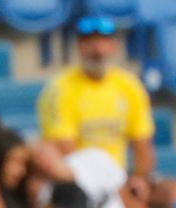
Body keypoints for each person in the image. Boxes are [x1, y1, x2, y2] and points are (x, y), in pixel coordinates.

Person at [38, 16, 155, 177]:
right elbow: (65, 149)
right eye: (89, 43)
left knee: (175, 191)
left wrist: (140, 180)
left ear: (114, 46)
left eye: (104, 42)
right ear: (79, 47)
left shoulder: (130, 86)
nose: (98, 50)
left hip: (119, 176)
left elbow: (143, 145)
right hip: (75, 176)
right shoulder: (60, 88)